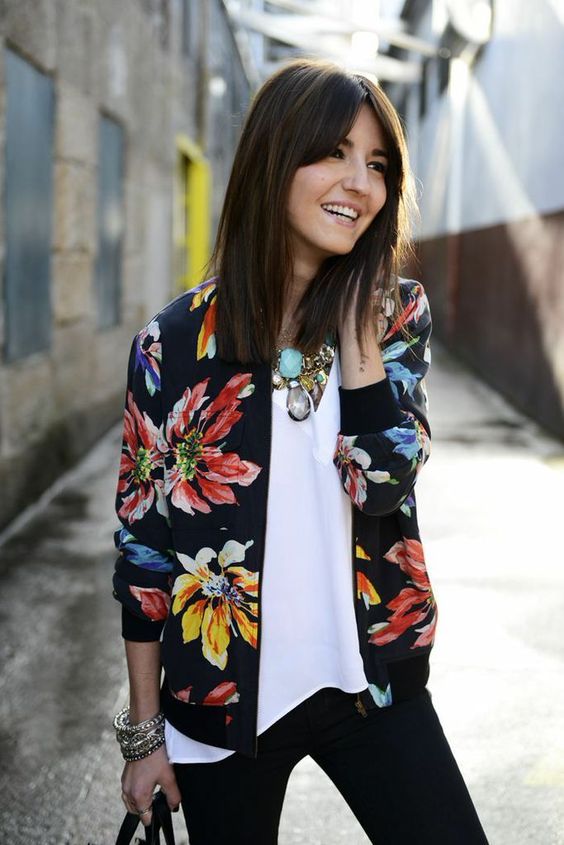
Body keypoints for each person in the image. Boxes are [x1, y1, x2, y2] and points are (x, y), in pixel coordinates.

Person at [112, 59, 489, 844]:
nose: (360, 183)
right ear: (275, 159)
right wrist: (146, 737)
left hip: (371, 683)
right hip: (222, 705)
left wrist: (356, 333)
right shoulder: (172, 346)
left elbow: (383, 485)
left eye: (377, 164)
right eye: (335, 153)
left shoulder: (394, 315)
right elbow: (144, 553)